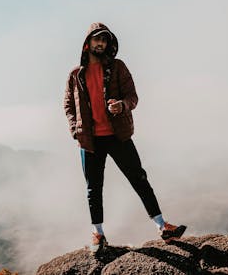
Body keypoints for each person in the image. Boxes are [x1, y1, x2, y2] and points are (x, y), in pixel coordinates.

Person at [64, 22, 187, 253]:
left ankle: (163, 227)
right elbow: (69, 105)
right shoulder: (76, 74)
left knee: (139, 179)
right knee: (94, 188)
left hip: (117, 136)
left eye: (105, 40)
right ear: (87, 43)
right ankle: (98, 234)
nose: (101, 43)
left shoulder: (118, 67)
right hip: (89, 141)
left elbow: (133, 96)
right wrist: (75, 128)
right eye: (97, 39)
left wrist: (123, 105)